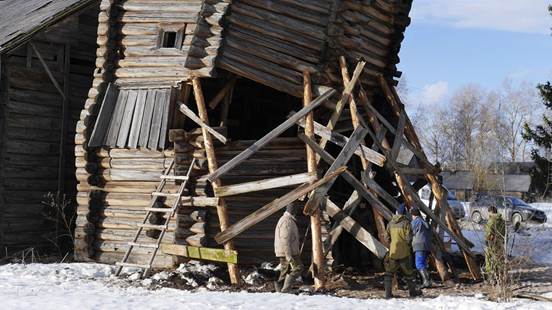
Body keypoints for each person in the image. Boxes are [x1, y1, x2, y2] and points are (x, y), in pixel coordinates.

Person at [384, 204, 421, 299]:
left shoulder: (390, 223)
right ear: (404, 213)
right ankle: (412, 293)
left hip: (393, 252)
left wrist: (392, 245)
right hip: (404, 253)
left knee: (389, 274)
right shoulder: (406, 223)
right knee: (409, 274)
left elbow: (386, 238)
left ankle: (388, 294)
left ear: (397, 212)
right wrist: (407, 246)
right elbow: (409, 238)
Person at [274, 203, 304, 293]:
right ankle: (285, 290)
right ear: (292, 211)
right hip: (288, 252)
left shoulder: (287, 220)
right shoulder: (287, 221)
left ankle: (279, 290)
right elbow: (285, 239)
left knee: (284, 271)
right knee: (298, 268)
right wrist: (288, 255)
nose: (297, 213)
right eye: (296, 211)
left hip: (285, 251)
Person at [411, 207, 432, 288]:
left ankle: (426, 282)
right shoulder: (424, 222)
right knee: (423, 264)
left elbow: (411, 231)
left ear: (413, 214)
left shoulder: (416, 221)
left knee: (419, 264)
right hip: (426, 245)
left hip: (419, 245)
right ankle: (428, 281)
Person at [484, 205, 506, 284]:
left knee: (489, 261)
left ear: (491, 212)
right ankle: (500, 278)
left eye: (488, 213)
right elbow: (504, 233)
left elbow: (489, 233)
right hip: (500, 243)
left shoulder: (491, 221)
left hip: (492, 244)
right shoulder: (502, 221)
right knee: (499, 260)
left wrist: (487, 241)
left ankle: (491, 279)